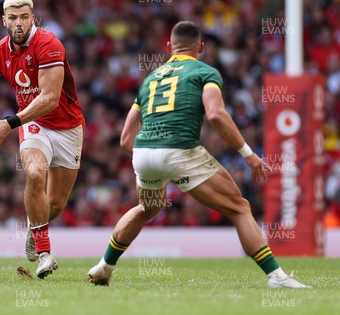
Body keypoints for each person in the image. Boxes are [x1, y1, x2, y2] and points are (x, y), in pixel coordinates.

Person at [87, 21, 310, 289]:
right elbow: (216, 114)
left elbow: (125, 139)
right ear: (201, 47)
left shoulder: (150, 79)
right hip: (179, 149)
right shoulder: (205, 72)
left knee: (148, 208)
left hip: (143, 152)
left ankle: (105, 266)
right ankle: (277, 277)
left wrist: (156, 159)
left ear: (169, 47)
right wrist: (248, 154)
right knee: (240, 208)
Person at [0, 0, 84, 279]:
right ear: (3, 20)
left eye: (24, 17)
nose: (18, 23)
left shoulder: (48, 44)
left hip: (68, 126)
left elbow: (50, 99)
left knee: (55, 204)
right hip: (33, 125)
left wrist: (7, 124)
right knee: (34, 173)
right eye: (13, 17)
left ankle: (36, 228)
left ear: (33, 18)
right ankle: (45, 254)